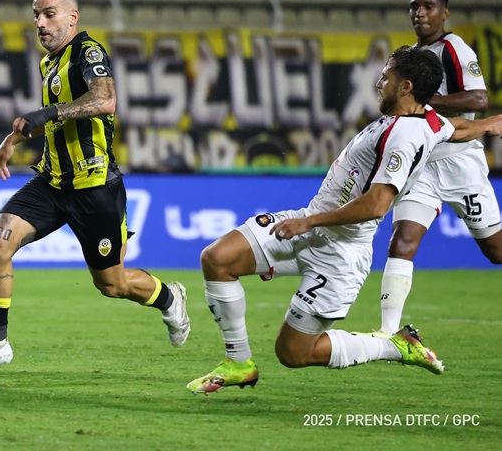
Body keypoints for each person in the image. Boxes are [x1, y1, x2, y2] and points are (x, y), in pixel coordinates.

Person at [186, 45, 502, 394]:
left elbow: (378, 204)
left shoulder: (405, 136)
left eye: (387, 75)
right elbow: (451, 128)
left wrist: (310, 223)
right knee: (217, 259)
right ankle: (238, 363)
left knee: (292, 353)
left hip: (340, 253)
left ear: (405, 87)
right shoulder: (425, 119)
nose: (379, 81)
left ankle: (395, 345)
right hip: (311, 222)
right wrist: (489, 124)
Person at [0, 0, 190, 374]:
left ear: (72, 17)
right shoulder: (48, 62)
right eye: (36, 16)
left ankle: (168, 297)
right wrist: (11, 139)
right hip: (52, 182)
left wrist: (44, 115)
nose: (40, 23)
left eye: (49, 14)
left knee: (112, 285)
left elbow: (105, 99)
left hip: (94, 189)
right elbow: (57, 118)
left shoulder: (87, 52)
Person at [368, 0, 502, 337]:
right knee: (402, 241)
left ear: (445, 12)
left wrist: (424, 102)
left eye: (428, 6)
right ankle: (389, 334)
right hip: (423, 163)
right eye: (415, 7)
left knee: (496, 252)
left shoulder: (454, 49)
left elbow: (478, 100)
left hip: (460, 161)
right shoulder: (414, 55)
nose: (420, 13)